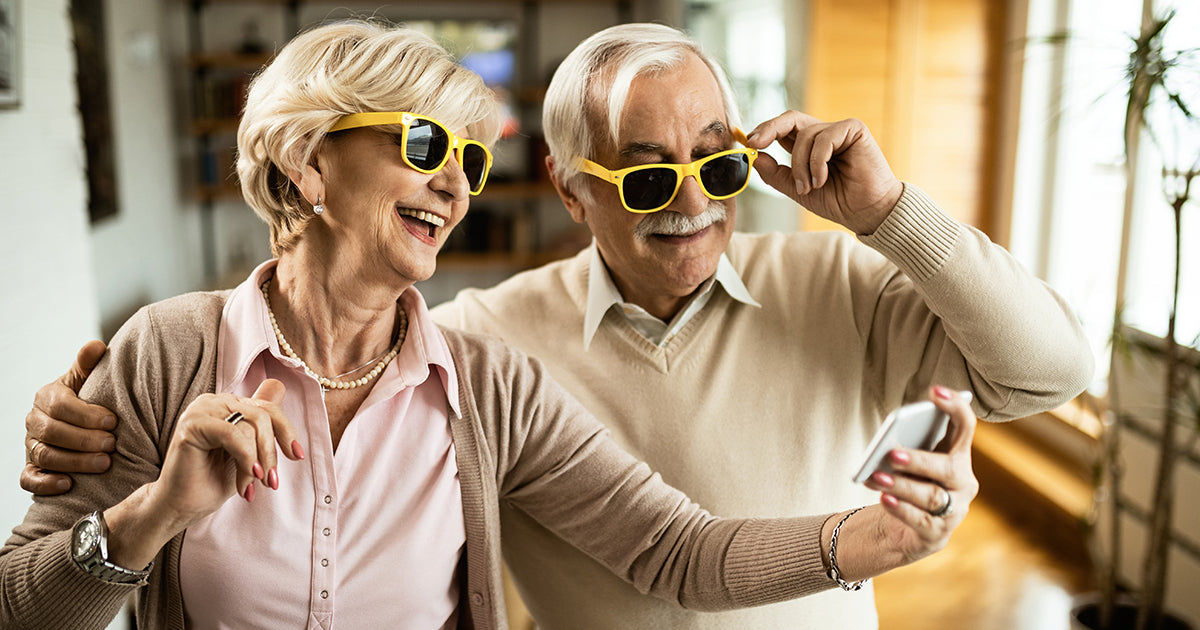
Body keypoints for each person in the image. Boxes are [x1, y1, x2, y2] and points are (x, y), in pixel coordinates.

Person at [15, 21, 1087, 630]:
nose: (693, 199)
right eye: (429, 147)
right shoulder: (176, 353)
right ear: (307, 160)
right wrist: (147, 513)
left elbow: (681, 551)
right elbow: (21, 602)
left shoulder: (480, 380)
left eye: (471, 161)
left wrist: (885, 539)